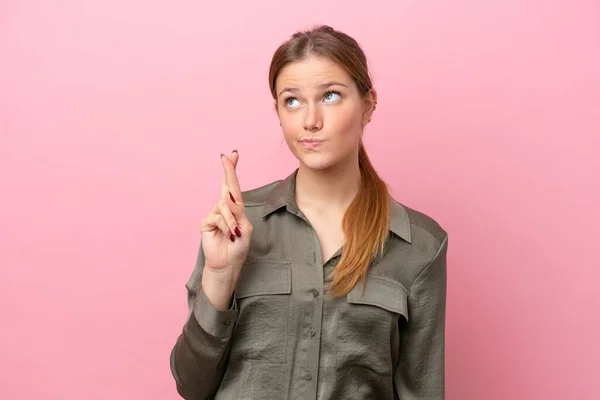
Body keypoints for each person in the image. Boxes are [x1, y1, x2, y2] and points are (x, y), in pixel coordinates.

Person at [170, 25, 448, 400]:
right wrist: (220, 275)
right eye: (293, 101)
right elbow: (191, 385)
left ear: (368, 105)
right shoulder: (235, 224)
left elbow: (422, 390)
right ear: (279, 112)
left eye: (331, 96)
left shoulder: (420, 244)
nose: (310, 121)